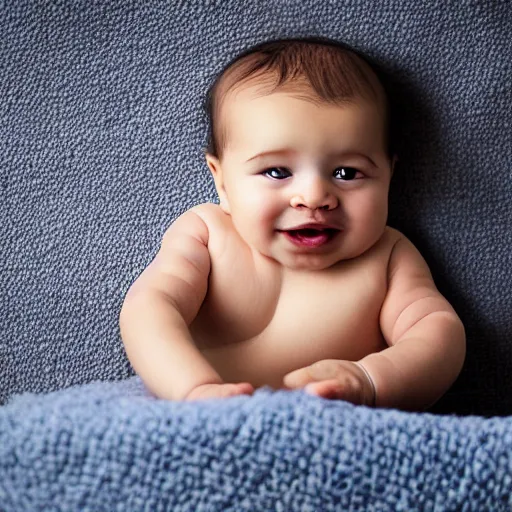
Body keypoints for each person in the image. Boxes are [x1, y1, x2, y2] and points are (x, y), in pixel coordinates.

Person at [119, 37, 466, 411]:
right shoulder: (206, 235)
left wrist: (369, 379)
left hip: (330, 434)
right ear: (222, 181)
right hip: (210, 417)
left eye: (347, 172)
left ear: (389, 176)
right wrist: (193, 389)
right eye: (277, 171)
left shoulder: (387, 256)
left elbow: (437, 333)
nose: (314, 196)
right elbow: (151, 309)